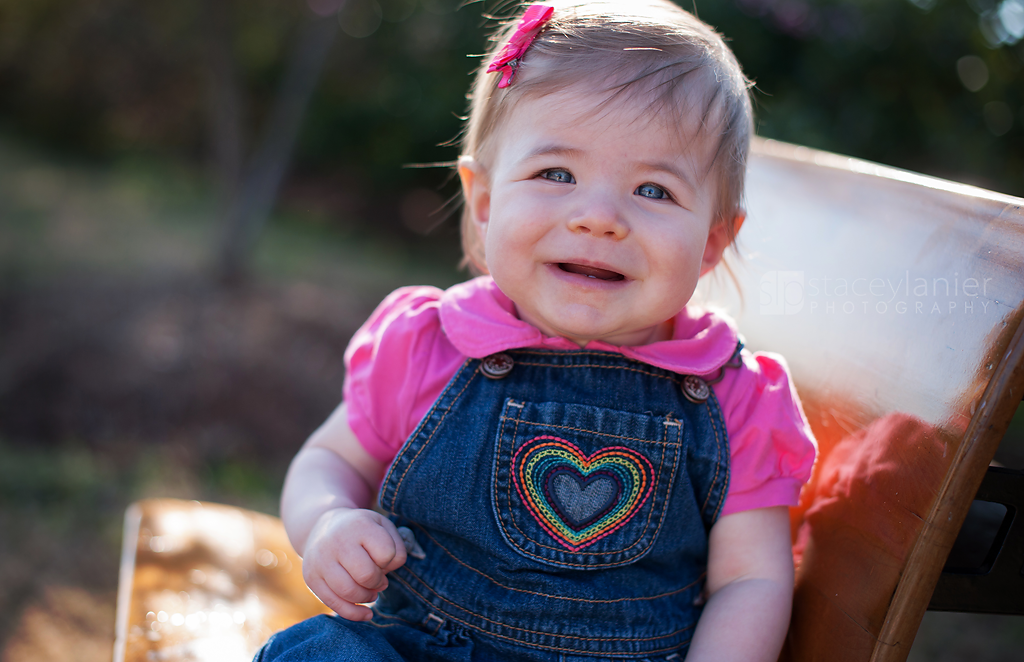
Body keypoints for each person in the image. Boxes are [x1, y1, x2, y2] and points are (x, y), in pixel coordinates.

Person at [255, 1, 817, 660]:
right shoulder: (430, 344)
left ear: (713, 242)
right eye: (557, 174)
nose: (598, 217)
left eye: (654, 190)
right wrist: (329, 521)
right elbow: (330, 462)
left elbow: (750, 579)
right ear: (486, 202)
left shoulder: (735, 396)